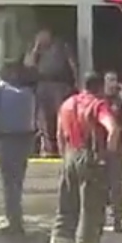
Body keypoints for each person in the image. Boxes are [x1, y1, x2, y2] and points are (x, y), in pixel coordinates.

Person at [50, 72, 120, 243]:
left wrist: (65, 157)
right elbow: (113, 128)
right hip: (90, 156)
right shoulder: (97, 104)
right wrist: (107, 155)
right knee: (91, 207)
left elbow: (59, 133)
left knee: (67, 204)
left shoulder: (67, 104)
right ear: (99, 88)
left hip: (70, 155)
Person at [0, 60, 36, 237]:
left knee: (9, 184)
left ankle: (14, 222)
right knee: (17, 183)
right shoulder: (28, 94)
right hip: (25, 142)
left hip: (6, 141)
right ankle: (16, 218)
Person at [24, 29, 78, 157]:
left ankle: (63, 147)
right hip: (43, 85)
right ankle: (49, 148)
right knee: (44, 119)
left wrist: (77, 82)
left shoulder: (61, 46)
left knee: (61, 117)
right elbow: (28, 64)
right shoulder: (36, 49)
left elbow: (73, 64)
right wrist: (36, 48)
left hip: (60, 84)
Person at [102, 71, 122, 233]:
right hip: (101, 147)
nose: (113, 83)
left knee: (116, 185)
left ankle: (117, 219)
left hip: (117, 148)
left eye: (115, 80)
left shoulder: (120, 101)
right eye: (109, 80)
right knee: (100, 185)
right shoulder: (100, 100)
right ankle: (100, 218)